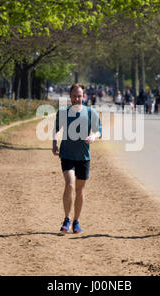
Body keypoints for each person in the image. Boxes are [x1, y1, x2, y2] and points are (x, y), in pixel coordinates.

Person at [53, 83, 102, 234]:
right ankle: (66, 219)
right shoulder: (63, 112)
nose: (77, 98)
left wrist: (93, 136)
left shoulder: (90, 112)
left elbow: (99, 131)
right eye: (74, 96)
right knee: (70, 185)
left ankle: (76, 221)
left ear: (84, 96)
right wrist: (54, 143)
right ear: (70, 96)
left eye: (79, 96)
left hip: (84, 157)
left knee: (80, 190)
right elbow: (56, 129)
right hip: (67, 154)